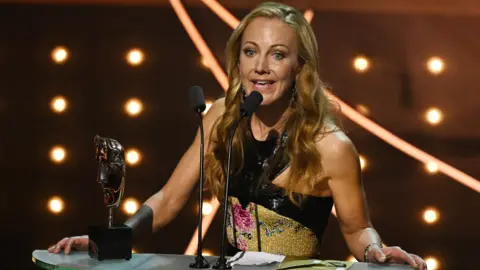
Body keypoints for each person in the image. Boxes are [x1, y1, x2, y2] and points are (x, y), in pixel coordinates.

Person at [48, 2, 427, 269]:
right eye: (250, 52)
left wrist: (377, 251)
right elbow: (167, 200)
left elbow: (357, 228)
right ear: (237, 59)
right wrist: (111, 241)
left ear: (300, 67)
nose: (260, 67)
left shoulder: (331, 146)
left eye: (278, 55)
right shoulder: (220, 119)